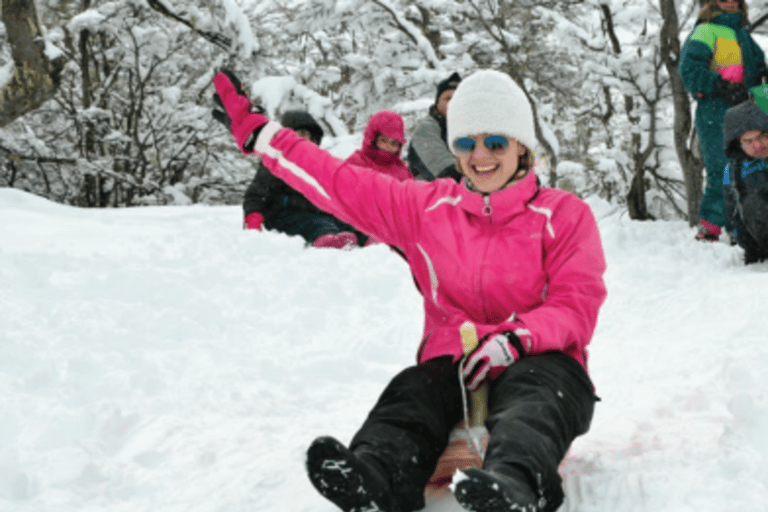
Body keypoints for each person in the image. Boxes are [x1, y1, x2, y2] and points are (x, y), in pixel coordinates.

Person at [213, 68, 607, 512]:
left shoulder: (564, 214)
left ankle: (515, 487)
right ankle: (375, 478)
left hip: (543, 362)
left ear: (522, 148)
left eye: (495, 142)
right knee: (411, 395)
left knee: (535, 404)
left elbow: (576, 303)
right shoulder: (428, 208)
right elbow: (341, 183)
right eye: (466, 143)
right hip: (456, 363)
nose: (480, 156)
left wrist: (517, 339)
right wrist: (264, 136)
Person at [679, 0, 767, 242]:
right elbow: (689, 69)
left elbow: (760, 73)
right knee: (723, 169)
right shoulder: (706, 30)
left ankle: (744, 226)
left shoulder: (742, 35)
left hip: (747, 112)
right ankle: (711, 228)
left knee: (751, 168)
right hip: (716, 111)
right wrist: (721, 86)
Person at [240, 110, 368, 248]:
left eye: (311, 137)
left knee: (343, 220)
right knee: (318, 223)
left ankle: (369, 239)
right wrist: (253, 217)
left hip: (313, 212)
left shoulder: (316, 167)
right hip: (282, 215)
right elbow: (256, 193)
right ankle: (328, 240)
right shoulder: (274, 164)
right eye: (300, 134)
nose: (305, 140)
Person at [722, 96, 768, 263]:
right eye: (748, 141)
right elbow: (734, 212)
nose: (758, 145)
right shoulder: (734, 171)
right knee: (753, 204)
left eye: (762, 136)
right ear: (738, 142)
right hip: (761, 245)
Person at [407, 72, 462, 182]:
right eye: (448, 99)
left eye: (458, 99)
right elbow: (446, 171)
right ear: (437, 103)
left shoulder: (468, 128)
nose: (453, 103)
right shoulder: (427, 128)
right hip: (429, 194)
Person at [346, 110, 412, 183]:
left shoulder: (401, 170)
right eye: (383, 140)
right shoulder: (357, 163)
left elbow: (412, 191)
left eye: (394, 143)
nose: (388, 146)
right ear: (373, 139)